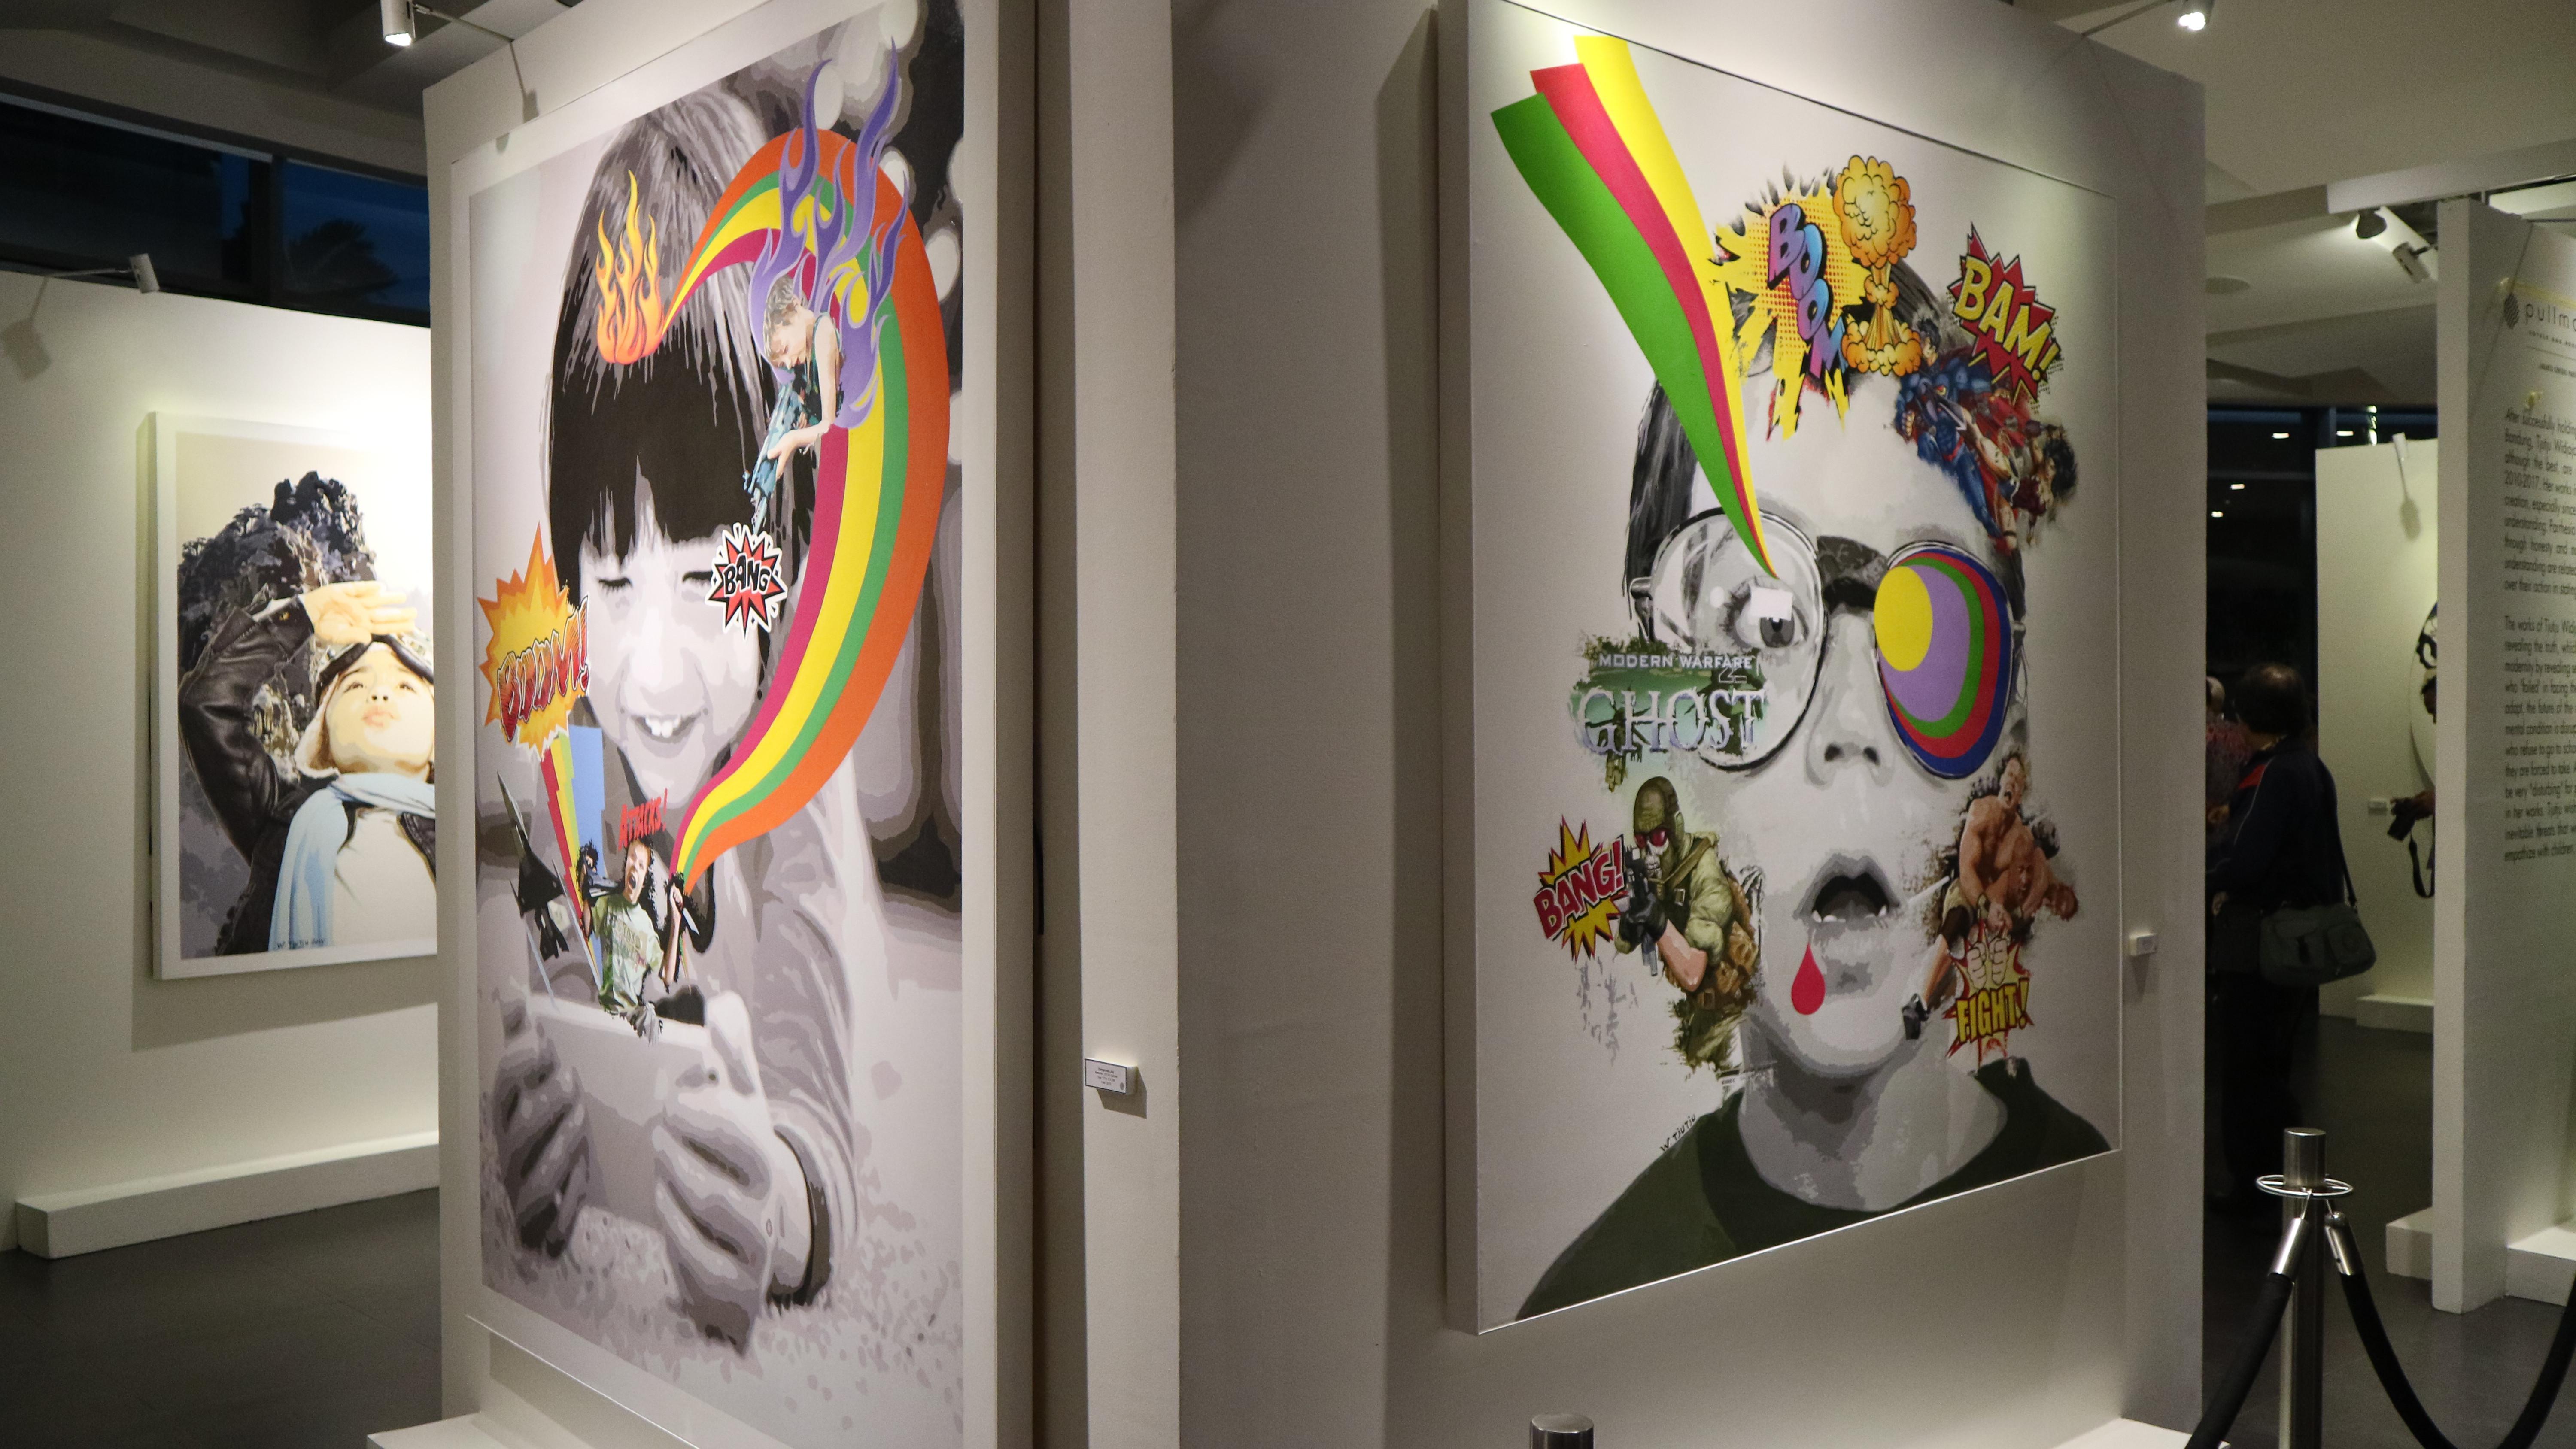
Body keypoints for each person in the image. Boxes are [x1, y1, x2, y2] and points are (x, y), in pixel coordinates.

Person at [1519, 263, 2105, 1319]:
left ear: (2006, 741)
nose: (1849, 729)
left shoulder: (2087, 1209)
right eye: (1761, 626)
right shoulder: (1598, 1300)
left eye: (1931, 637)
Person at [488, 87, 881, 1347]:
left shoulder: (797, 759)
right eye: (612, 582)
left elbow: (820, 1133)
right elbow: (586, 1015)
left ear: (778, 563)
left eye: (712, 578)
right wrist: (552, 1136)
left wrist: (785, 1209)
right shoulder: (580, 759)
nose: (652, 677)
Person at [178, 579, 434, 954]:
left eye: (405, 687)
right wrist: (299, 619)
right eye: (356, 686)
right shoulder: (283, 821)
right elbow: (205, 706)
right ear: (324, 738)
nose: (379, 694)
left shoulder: (468, 834)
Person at [2206, 662, 2339, 1213]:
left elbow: (2246, 861)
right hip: (2297, 939)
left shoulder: (2274, 772)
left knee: (2248, 1070)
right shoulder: (2309, 766)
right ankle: (2277, 1186)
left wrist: (2204, 874)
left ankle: (2255, 1192)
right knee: (2272, 1065)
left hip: (2260, 941)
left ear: (2249, 717)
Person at [1905, 751, 2078, 1050]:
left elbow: (2043, 878)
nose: (2012, 783)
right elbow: (1967, 869)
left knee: (1977, 956)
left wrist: (2044, 904)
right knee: (1957, 921)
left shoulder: (2023, 838)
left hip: (1996, 914)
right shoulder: (1981, 812)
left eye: (2018, 781)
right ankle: (1919, 1001)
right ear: (2001, 780)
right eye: (2009, 776)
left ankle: (1948, 1004)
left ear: (2022, 792)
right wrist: (1985, 906)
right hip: (1969, 892)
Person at [1616, 776, 1759, 1068]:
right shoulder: (1656, 873)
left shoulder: (1704, 870)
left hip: (1734, 1008)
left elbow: (1693, 973)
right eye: (1642, 840)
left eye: (1658, 838)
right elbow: (1623, 945)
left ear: (1676, 826)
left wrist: (1657, 923)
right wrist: (1630, 927)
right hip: (1696, 1009)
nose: (1650, 850)